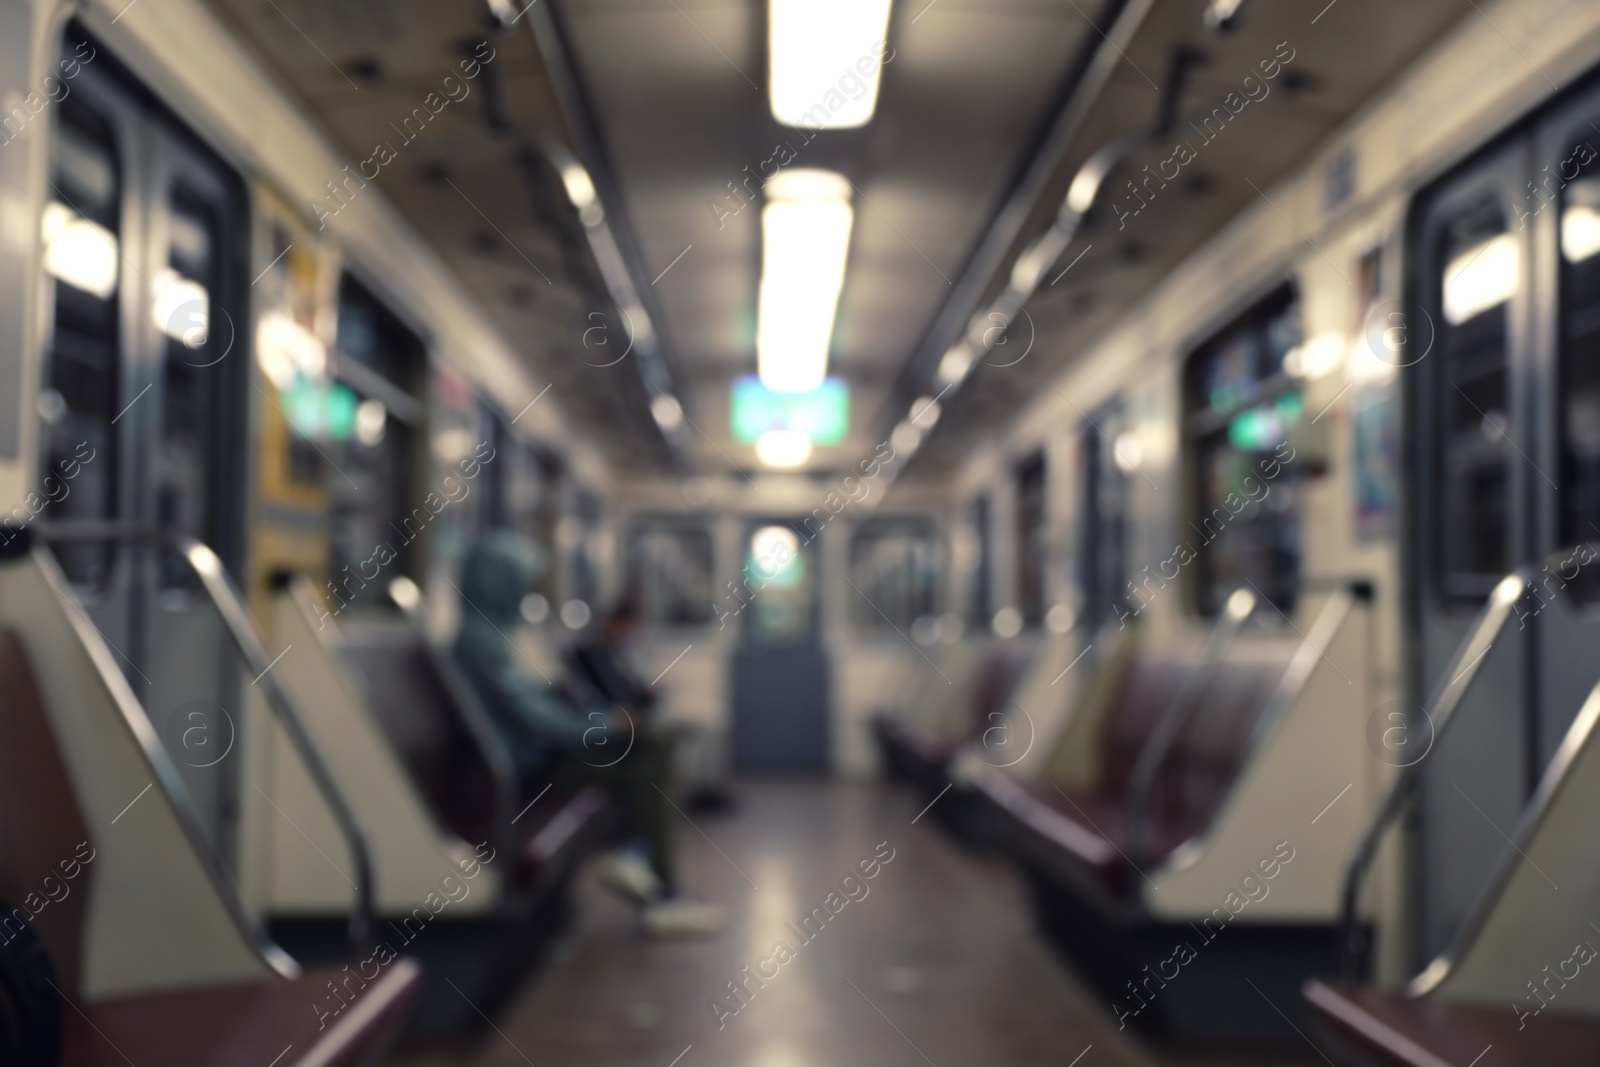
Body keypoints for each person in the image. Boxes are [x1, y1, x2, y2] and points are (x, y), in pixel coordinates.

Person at [452, 532, 721, 937]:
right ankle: (655, 882)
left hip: (534, 756)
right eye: (520, 583)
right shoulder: (481, 642)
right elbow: (532, 716)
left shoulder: (495, 636)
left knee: (651, 747)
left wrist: (606, 719)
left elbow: (544, 702)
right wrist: (608, 724)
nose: (526, 593)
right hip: (523, 769)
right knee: (651, 750)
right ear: (500, 582)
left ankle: (642, 862)